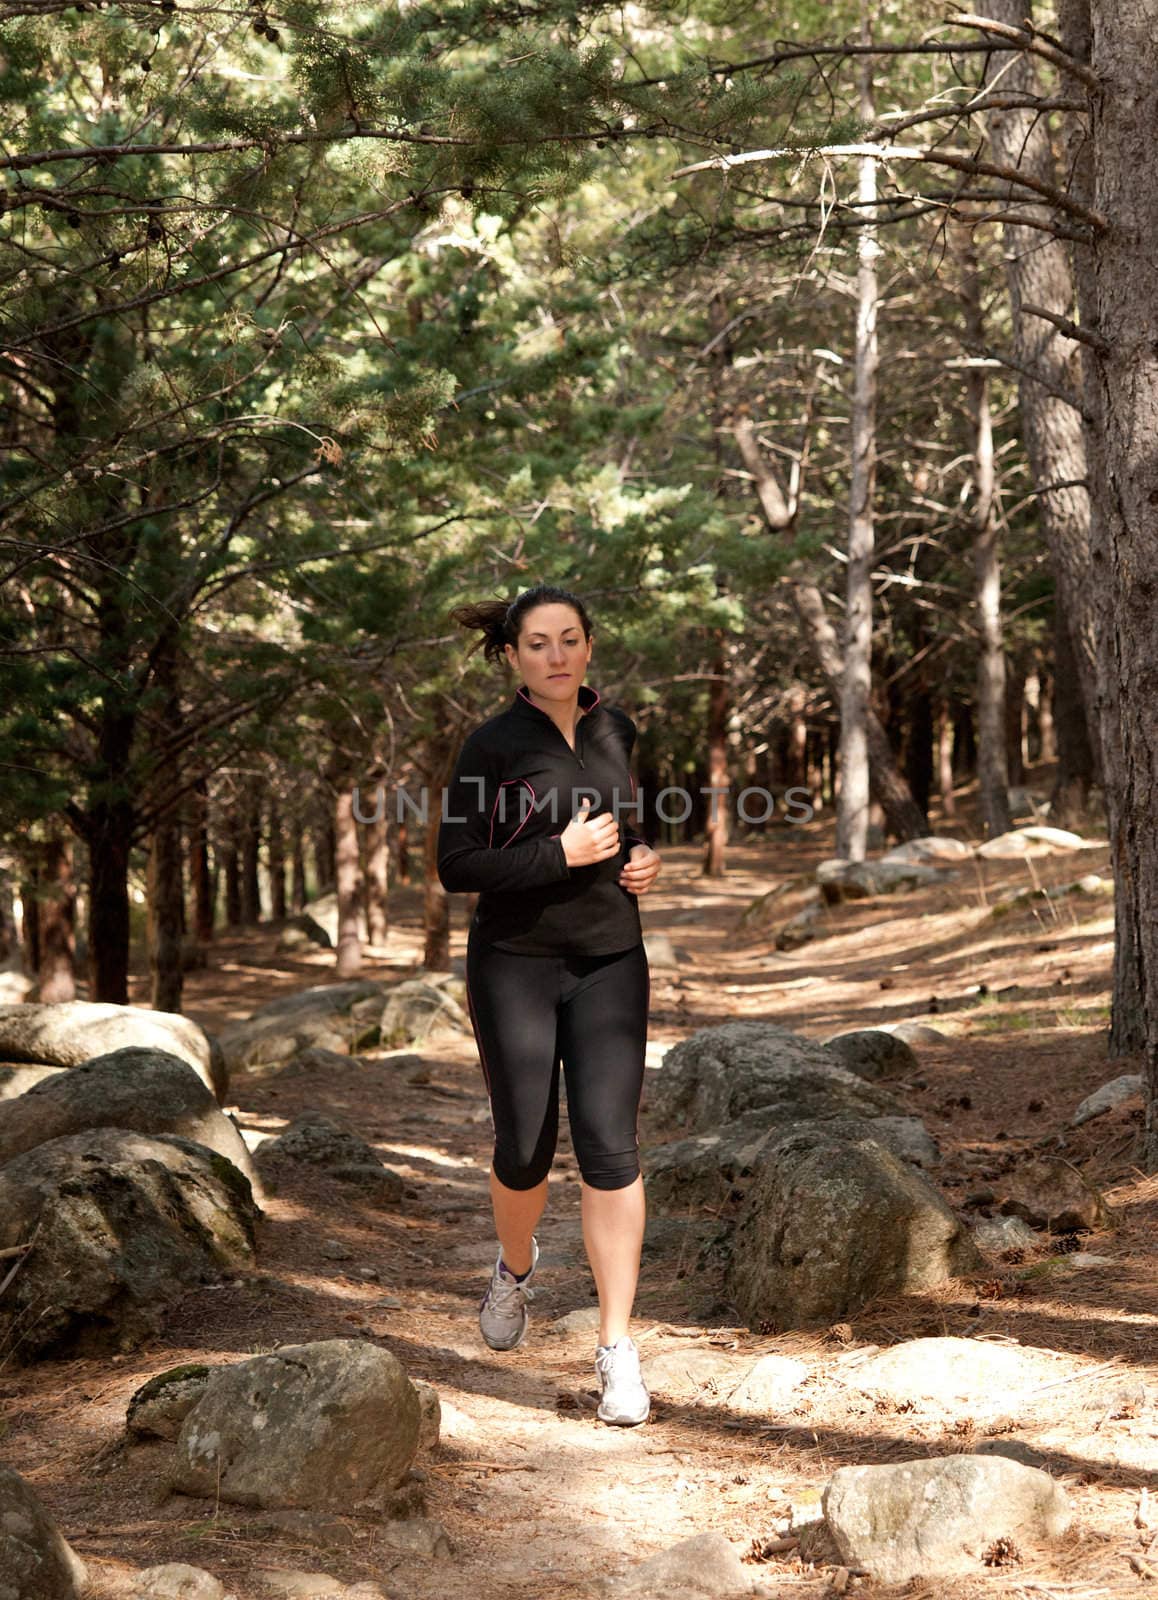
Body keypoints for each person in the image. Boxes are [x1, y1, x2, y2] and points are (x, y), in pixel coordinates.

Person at [437, 582, 663, 1425]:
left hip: (611, 957)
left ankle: (616, 1349)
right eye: (538, 643)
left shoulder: (614, 727)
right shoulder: (488, 746)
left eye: (570, 639)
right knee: (525, 1150)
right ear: (512, 656)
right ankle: (516, 1267)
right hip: (515, 964)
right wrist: (555, 855)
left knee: (612, 1149)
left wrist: (642, 858)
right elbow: (456, 863)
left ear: (589, 647)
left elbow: (622, 821)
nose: (557, 655)